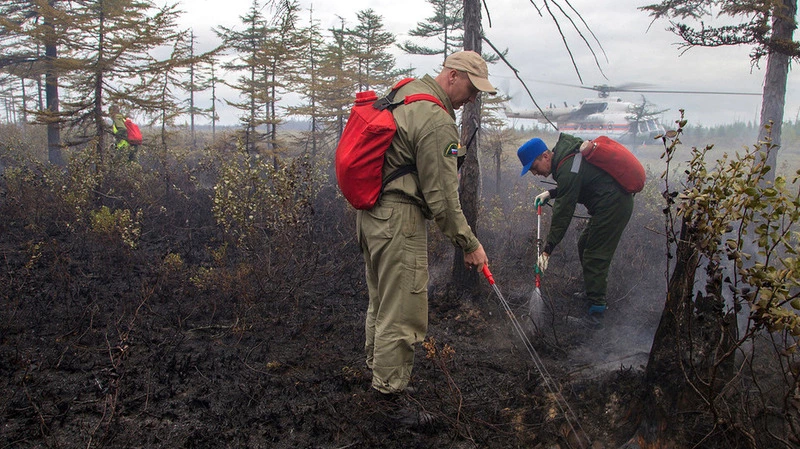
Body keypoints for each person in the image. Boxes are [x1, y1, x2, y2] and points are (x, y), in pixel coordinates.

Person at [358, 51, 495, 417]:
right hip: (398, 219)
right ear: (452, 75)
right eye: (472, 88)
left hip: (372, 215)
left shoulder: (406, 91)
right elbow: (443, 198)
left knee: (382, 301)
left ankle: (378, 372)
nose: (473, 98)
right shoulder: (436, 120)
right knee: (402, 310)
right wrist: (469, 243)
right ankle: (389, 399)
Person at [517, 134, 634, 326]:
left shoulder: (567, 166)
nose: (535, 173)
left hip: (614, 206)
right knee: (584, 244)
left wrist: (548, 250)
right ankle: (591, 291)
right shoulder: (566, 162)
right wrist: (552, 193)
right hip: (609, 205)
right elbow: (575, 185)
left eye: (534, 167)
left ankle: (596, 314)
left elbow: (564, 211)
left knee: (595, 255)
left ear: (545, 156)